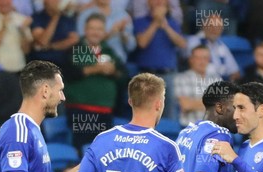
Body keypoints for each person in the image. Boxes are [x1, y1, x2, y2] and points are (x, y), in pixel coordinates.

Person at [64, 13, 124, 152]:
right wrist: (95, 69)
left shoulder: (109, 50)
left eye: (99, 29)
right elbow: (69, 73)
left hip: (105, 111)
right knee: (83, 151)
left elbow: (123, 77)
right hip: (81, 110)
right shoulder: (75, 49)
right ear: (85, 30)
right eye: (92, 28)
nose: (95, 32)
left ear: (104, 32)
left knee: (103, 152)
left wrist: (113, 71)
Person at [133, 0, 187, 120]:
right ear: (148, 3)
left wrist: (165, 26)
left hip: (169, 75)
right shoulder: (140, 21)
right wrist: (155, 23)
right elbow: (142, 43)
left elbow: (182, 43)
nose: (158, 2)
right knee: (144, 114)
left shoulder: (172, 22)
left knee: (169, 115)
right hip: (146, 76)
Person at [0, 0, 33, 72]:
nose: (4, 3)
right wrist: (3, 28)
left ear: (11, 1)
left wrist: (23, 31)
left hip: (19, 67)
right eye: (1, 1)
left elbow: (26, 50)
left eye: (6, 0)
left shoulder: (22, 19)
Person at [174, 45, 221, 126]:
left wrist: (195, 103)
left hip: (214, 127)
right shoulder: (181, 78)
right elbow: (186, 105)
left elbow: (223, 106)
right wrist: (212, 104)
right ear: (191, 60)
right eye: (198, 58)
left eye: (205, 58)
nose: (202, 61)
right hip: (190, 127)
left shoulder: (216, 79)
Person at [185, 13, 241, 81]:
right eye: (211, 26)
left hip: (220, 85)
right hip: (199, 81)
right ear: (204, 26)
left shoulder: (222, 46)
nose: (215, 30)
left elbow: (234, 71)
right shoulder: (193, 41)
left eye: (218, 27)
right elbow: (193, 66)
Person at [30, 0, 79, 66]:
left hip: (64, 62)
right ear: (45, 1)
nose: (56, 1)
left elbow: (74, 39)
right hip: (42, 62)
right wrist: (56, 16)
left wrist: (51, 46)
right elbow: (43, 42)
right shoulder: (36, 17)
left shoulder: (67, 19)